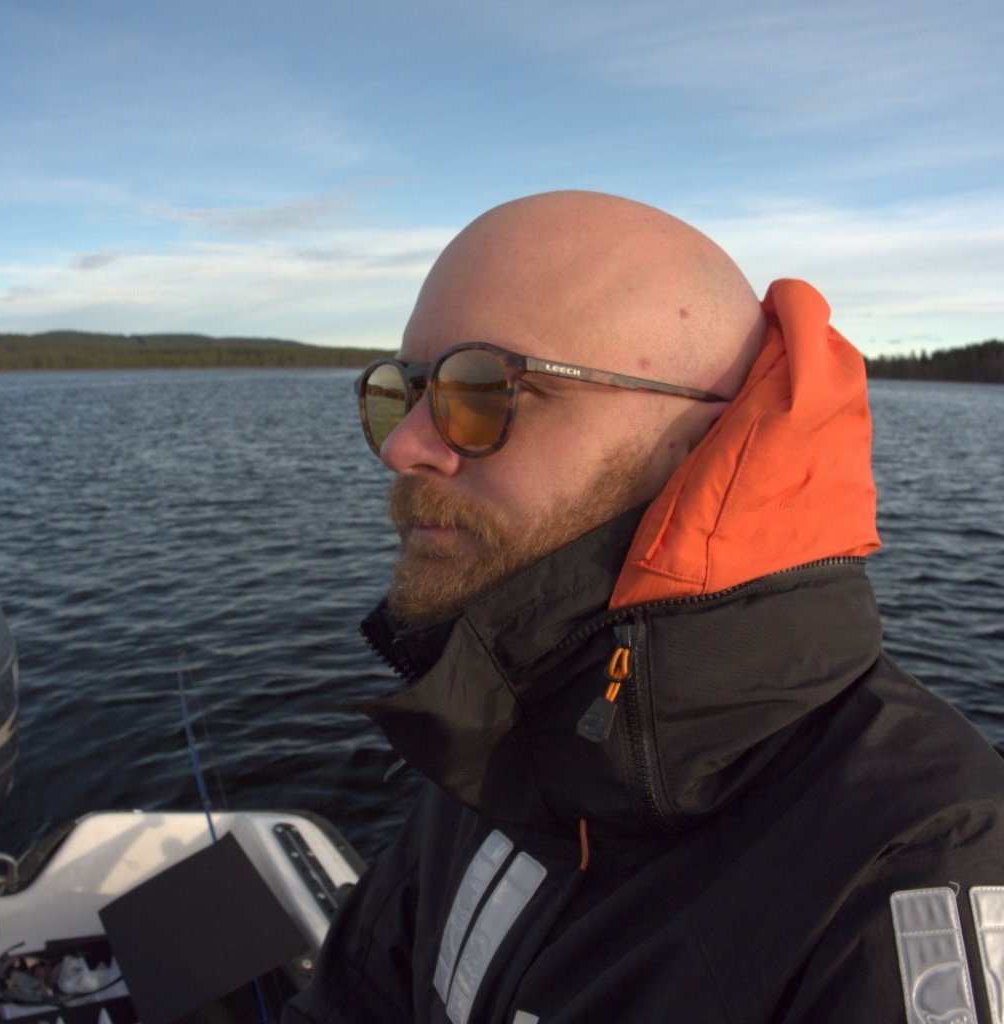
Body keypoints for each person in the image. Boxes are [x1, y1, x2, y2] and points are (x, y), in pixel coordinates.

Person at [284, 191, 1004, 1024]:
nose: (403, 445)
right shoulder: (512, 727)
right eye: (399, 391)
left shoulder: (914, 864)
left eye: (477, 388)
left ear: (701, 442)